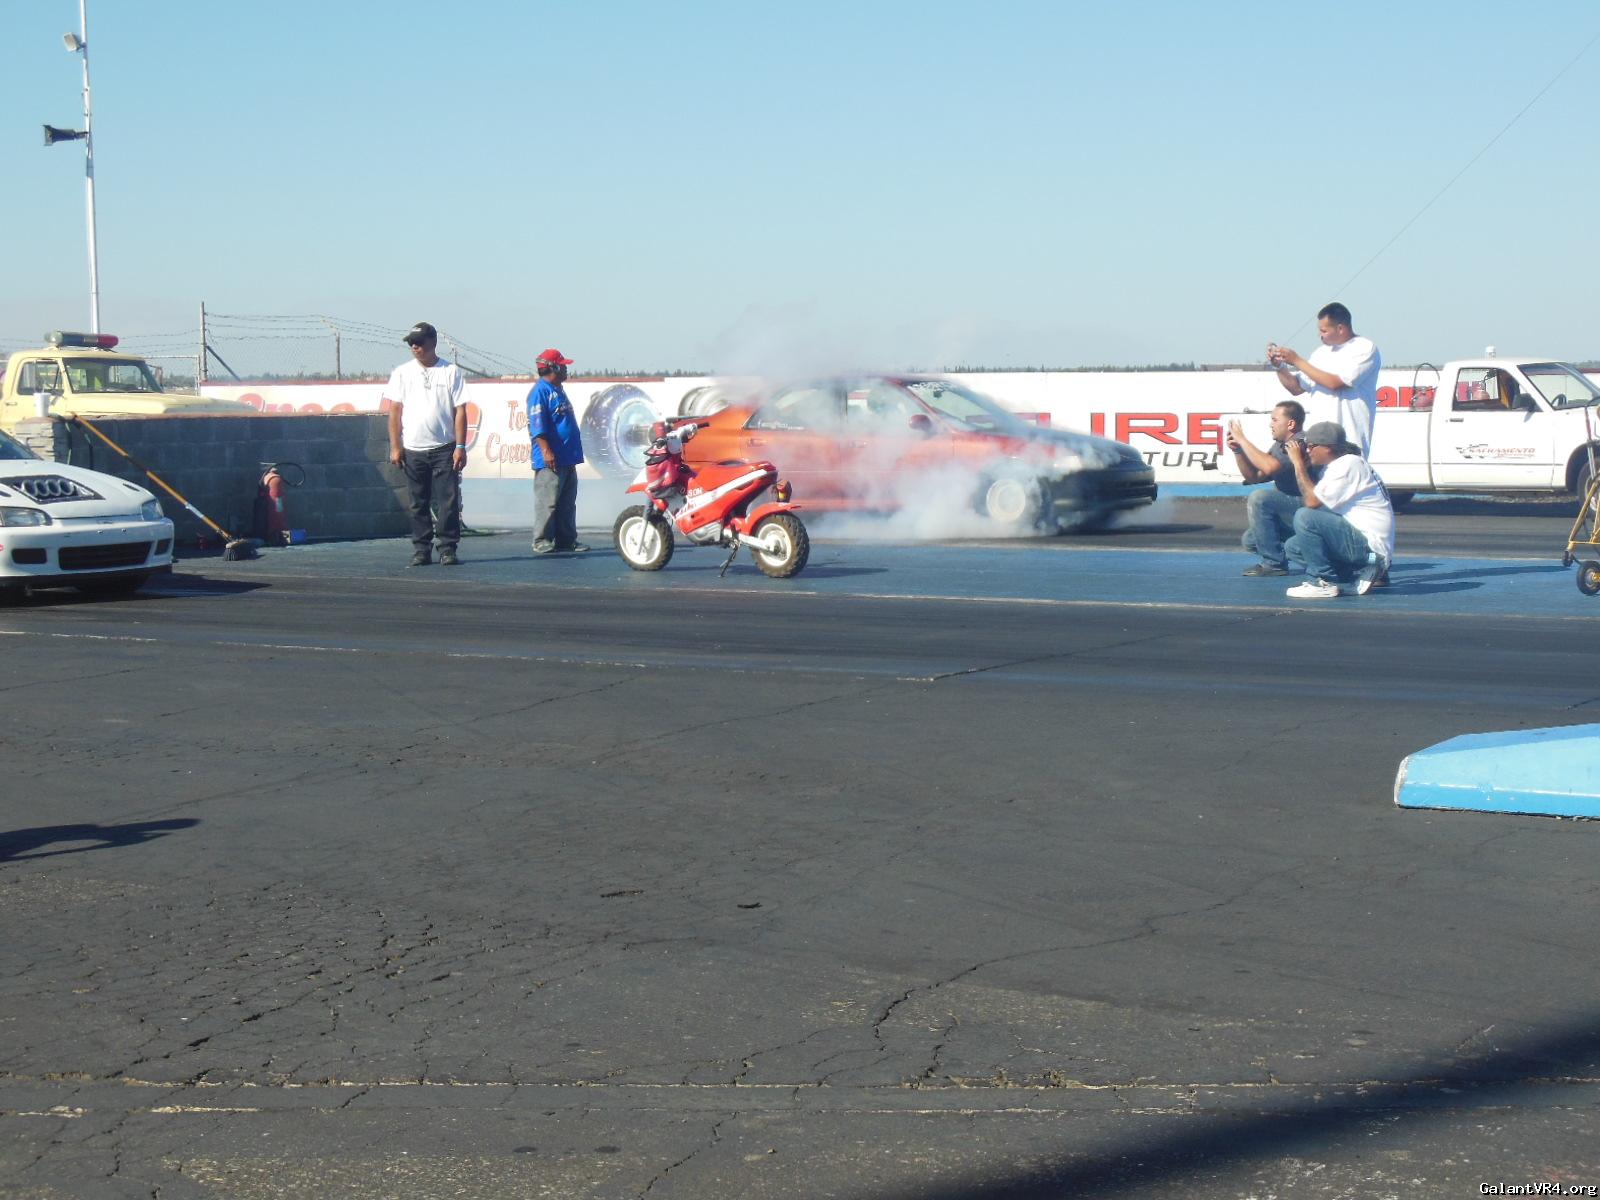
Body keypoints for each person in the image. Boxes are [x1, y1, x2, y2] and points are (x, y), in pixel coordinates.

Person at [384, 322, 468, 567]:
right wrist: (395, 446)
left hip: (444, 448)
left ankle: (448, 548)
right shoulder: (402, 373)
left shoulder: (450, 371)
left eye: (419, 342)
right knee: (417, 502)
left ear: (433, 342)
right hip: (413, 449)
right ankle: (421, 549)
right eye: (411, 343)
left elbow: (460, 411)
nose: (415, 346)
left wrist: (460, 447)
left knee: (448, 502)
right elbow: (394, 411)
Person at [1282, 422, 1395, 599]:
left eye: (1311, 446)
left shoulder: (1346, 465)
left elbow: (1311, 502)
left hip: (1371, 550)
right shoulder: (1346, 464)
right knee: (1294, 547)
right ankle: (1356, 573)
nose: (1308, 451)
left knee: (1305, 517)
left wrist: (1298, 464)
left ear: (1328, 447)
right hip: (1369, 552)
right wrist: (1306, 466)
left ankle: (1321, 581)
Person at [1267, 302, 1381, 455]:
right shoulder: (1320, 353)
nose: (1320, 335)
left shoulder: (1364, 347)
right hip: (1318, 440)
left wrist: (1297, 360)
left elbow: (1335, 383)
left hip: (1349, 439)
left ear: (1340, 328)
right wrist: (1279, 367)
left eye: (1324, 331)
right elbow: (1296, 387)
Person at [1228, 399, 1310, 577]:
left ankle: (1274, 564)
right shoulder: (1279, 445)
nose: (1270, 424)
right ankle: (1302, 551)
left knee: (1260, 498)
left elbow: (1270, 467)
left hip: (1309, 508)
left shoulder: (1298, 442)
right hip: (1294, 511)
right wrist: (1238, 451)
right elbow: (1255, 477)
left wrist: (1243, 439)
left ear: (1290, 424)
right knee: (1251, 540)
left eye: (1274, 420)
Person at [526, 348, 587, 554]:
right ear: (553, 367)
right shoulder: (540, 392)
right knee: (548, 502)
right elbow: (537, 426)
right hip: (551, 458)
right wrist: (546, 451)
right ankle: (541, 539)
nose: (566, 369)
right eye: (563, 365)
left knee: (567, 503)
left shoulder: (558, 389)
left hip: (567, 457)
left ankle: (566, 540)